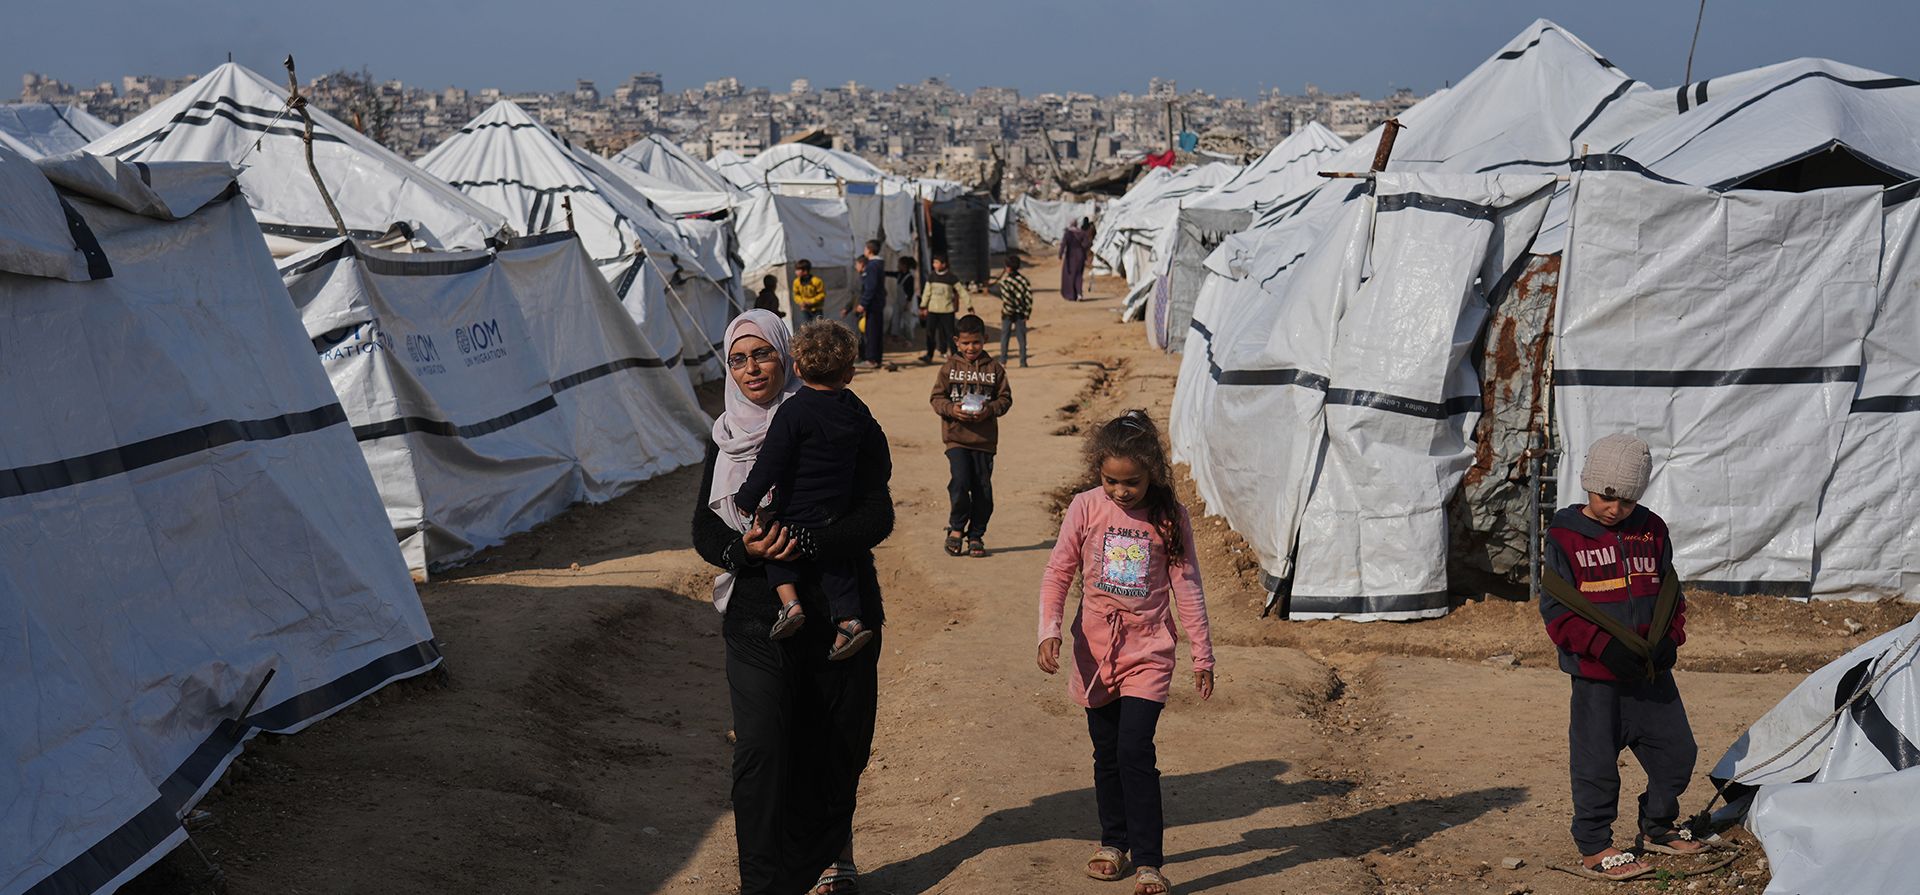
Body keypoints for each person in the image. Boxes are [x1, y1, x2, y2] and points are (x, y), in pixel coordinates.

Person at [695, 309, 893, 895]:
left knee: (836, 745)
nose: (752, 368)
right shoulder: (725, 436)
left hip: (837, 613)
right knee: (760, 751)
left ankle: (834, 854)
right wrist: (743, 547)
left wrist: (810, 539)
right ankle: (762, 884)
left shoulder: (832, 417)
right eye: (739, 358)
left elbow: (877, 511)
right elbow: (706, 532)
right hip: (759, 619)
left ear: (789, 357)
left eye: (763, 354)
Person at [1037, 410, 1214, 895]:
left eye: (1131, 482)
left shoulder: (1168, 516)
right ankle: (1113, 842)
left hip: (1149, 651)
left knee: (1135, 750)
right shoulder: (1085, 507)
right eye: (1110, 480)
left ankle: (1150, 862)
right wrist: (1048, 629)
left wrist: (1203, 654)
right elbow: (1058, 572)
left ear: (1151, 472)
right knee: (1106, 753)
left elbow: (1188, 587)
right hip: (1094, 651)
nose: (1120, 491)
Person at [1539, 433, 1706, 881]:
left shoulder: (1651, 529)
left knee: (1677, 754)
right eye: (1606, 496)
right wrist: (1603, 648)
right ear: (1587, 484)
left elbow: (1671, 594)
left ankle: (1656, 827)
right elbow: (1556, 608)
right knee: (1596, 764)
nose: (1615, 509)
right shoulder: (1565, 536)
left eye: (1628, 500)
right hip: (1597, 678)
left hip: (1651, 674)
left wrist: (1671, 637)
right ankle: (1595, 845)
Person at [732, 320, 883, 661]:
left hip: (797, 508)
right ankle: (849, 621)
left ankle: (790, 604)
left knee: (774, 542)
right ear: (849, 373)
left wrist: (747, 498)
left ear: (796, 368)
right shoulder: (855, 408)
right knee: (838, 559)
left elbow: (770, 462)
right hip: (837, 508)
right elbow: (879, 453)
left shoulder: (793, 411)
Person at [928, 315, 1011, 557]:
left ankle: (976, 535)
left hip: (984, 441)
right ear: (956, 342)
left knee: (983, 491)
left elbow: (1005, 399)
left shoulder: (994, 369)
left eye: (975, 342)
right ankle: (956, 529)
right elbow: (936, 398)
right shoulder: (949, 369)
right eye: (965, 343)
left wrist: (990, 410)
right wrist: (951, 409)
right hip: (956, 438)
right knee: (960, 483)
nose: (970, 348)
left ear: (984, 340)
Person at [918, 254, 967, 364]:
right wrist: (923, 306)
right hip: (933, 310)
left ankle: (955, 357)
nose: (934, 265)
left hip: (947, 311)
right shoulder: (931, 277)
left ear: (944, 264)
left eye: (936, 262)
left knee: (950, 334)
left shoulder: (951, 278)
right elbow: (926, 293)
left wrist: (969, 305)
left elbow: (962, 291)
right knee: (929, 333)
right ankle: (929, 355)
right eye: (933, 262)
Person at [990, 256, 1033, 367]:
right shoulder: (1023, 281)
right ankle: (1023, 362)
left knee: (1005, 337)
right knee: (1021, 338)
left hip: (1007, 313)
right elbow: (1028, 298)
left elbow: (1004, 297)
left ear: (1008, 268)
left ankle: (1003, 361)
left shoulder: (1005, 282)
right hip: (1021, 313)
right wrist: (1027, 312)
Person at [856, 240, 886, 369]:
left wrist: (863, 303)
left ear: (869, 250)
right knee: (876, 331)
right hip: (878, 302)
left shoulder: (872, 266)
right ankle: (877, 358)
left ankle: (871, 359)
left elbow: (870, 287)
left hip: (873, 304)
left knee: (871, 332)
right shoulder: (879, 264)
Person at [1060, 217, 1094, 302]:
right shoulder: (1081, 233)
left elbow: (1063, 244)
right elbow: (1087, 244)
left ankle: (1071, 295)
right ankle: (1079, 294)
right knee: (1079, 275)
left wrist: (1060, 254)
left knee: (1070, 275)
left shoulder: (1068, 233)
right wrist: (1082, 249)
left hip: (1071, 256)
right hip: (1081, 256)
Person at [792, 259, 827, 325]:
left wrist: (810, 302)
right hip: (805, 309)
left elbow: (822, 294)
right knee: (806, 327)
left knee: (819, 327)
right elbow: (796, 294)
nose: (795, 272)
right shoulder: (796, 282)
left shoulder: (816, 281)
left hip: (817, 309)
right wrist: (801, 302)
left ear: (805, 271)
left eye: (797, 270)